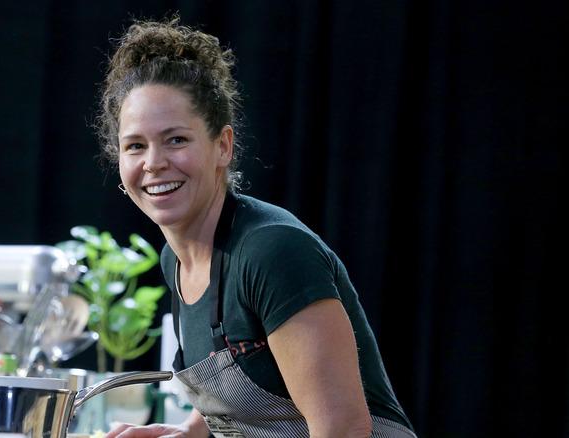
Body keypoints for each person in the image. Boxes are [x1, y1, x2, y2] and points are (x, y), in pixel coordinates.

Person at [95, 16, 417, 438]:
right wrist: (188, 434)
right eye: (135, 145)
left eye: (176, 139)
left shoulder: (271, 251)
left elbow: (342, 427)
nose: (153, 163)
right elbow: (248, 386)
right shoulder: (176, 259)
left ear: (222, 147)